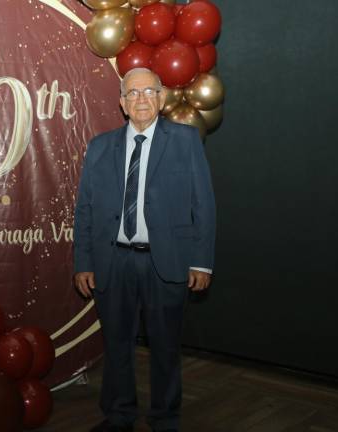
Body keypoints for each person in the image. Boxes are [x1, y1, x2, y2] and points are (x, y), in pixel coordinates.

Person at [73, 67, 216, 432]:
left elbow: (204, 204)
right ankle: (119, 415)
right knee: (117, 346)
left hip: (165, 263)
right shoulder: (100, 147)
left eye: (148, 92)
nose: (141, 99)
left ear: (162, 98)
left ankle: (165, 418)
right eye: (132, 93)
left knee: (165, 348)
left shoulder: (185, 141)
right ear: (122, 102)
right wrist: (84, 262)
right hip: (113, 261)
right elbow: (85, 209)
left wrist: (201, 261)